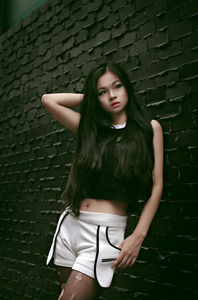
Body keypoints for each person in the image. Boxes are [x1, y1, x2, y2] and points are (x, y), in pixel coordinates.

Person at [41, 62, 163, 300]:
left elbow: (157, 186)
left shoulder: (149, 129)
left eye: (117, 87)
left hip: (104, 234)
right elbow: (49, 100)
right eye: (102, 92)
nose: (112, 95)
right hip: (70, 227)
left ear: (127, 87)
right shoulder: (92, 129)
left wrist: (138, 236)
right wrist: (92, 99)